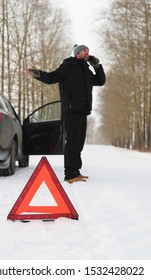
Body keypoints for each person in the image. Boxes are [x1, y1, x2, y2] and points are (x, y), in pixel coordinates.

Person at [27, 44, 106, 183]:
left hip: (83, 110)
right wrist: (38, 74)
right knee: (72, 142)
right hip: (71, 111)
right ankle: (69, 174)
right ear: (77, 53)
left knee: (79, 143)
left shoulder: (86, 70)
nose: (87, 52)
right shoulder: (68, 67)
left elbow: (100, 81)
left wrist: (97, 67)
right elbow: (51, 77)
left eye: (88, 50)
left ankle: (75, 171)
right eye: (84, 50)